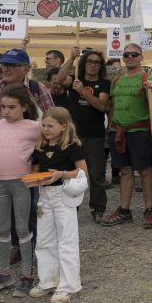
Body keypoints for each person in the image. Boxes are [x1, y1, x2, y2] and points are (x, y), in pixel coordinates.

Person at [0, 85, 41, 297]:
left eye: (12, 107)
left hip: (22, 183)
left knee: (23, 228)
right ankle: (3, 273)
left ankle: (27, 275)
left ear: (24, 106)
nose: (6, 111)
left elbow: (49, 144)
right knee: (1, 228)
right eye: (3, 106)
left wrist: (34, 163)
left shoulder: (34, 127)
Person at [27, 107, 88, 303]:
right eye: (43, 125)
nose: (45, 129)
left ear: (63, 126)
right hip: (45, 196)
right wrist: (34, 179)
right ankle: (48, 280)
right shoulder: (39, 147)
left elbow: (82, 172)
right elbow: (35, 171)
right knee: (44, 239)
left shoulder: (72, 147)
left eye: (50, 126)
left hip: (63, 194)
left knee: (66, 240)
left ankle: (68, 285)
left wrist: (61, 174)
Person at [101, 44, 152, 229]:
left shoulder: (146, 78)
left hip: (139, 132)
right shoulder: (116, 80)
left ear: (141, 57)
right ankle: (124, 210)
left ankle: (149, 210)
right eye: (126, 54)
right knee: (125, 171)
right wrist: (110, 128)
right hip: (118, 131)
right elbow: (112, 105)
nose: (130, 57)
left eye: (134, 54)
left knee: (145, 171)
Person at [58, 48, 110, 223]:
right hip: (74, 136)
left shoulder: (103, 84)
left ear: (101, 65)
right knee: (73, 173)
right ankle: (72, 207)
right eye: (89, 61)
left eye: (96, 62)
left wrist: (83, 92)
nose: (92, 65)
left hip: (94, 136)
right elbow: (59, 78)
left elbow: (102, 105)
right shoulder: (75, 81)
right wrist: (71, 57)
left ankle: (98, 208)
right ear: (84, 63)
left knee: (96, 174)